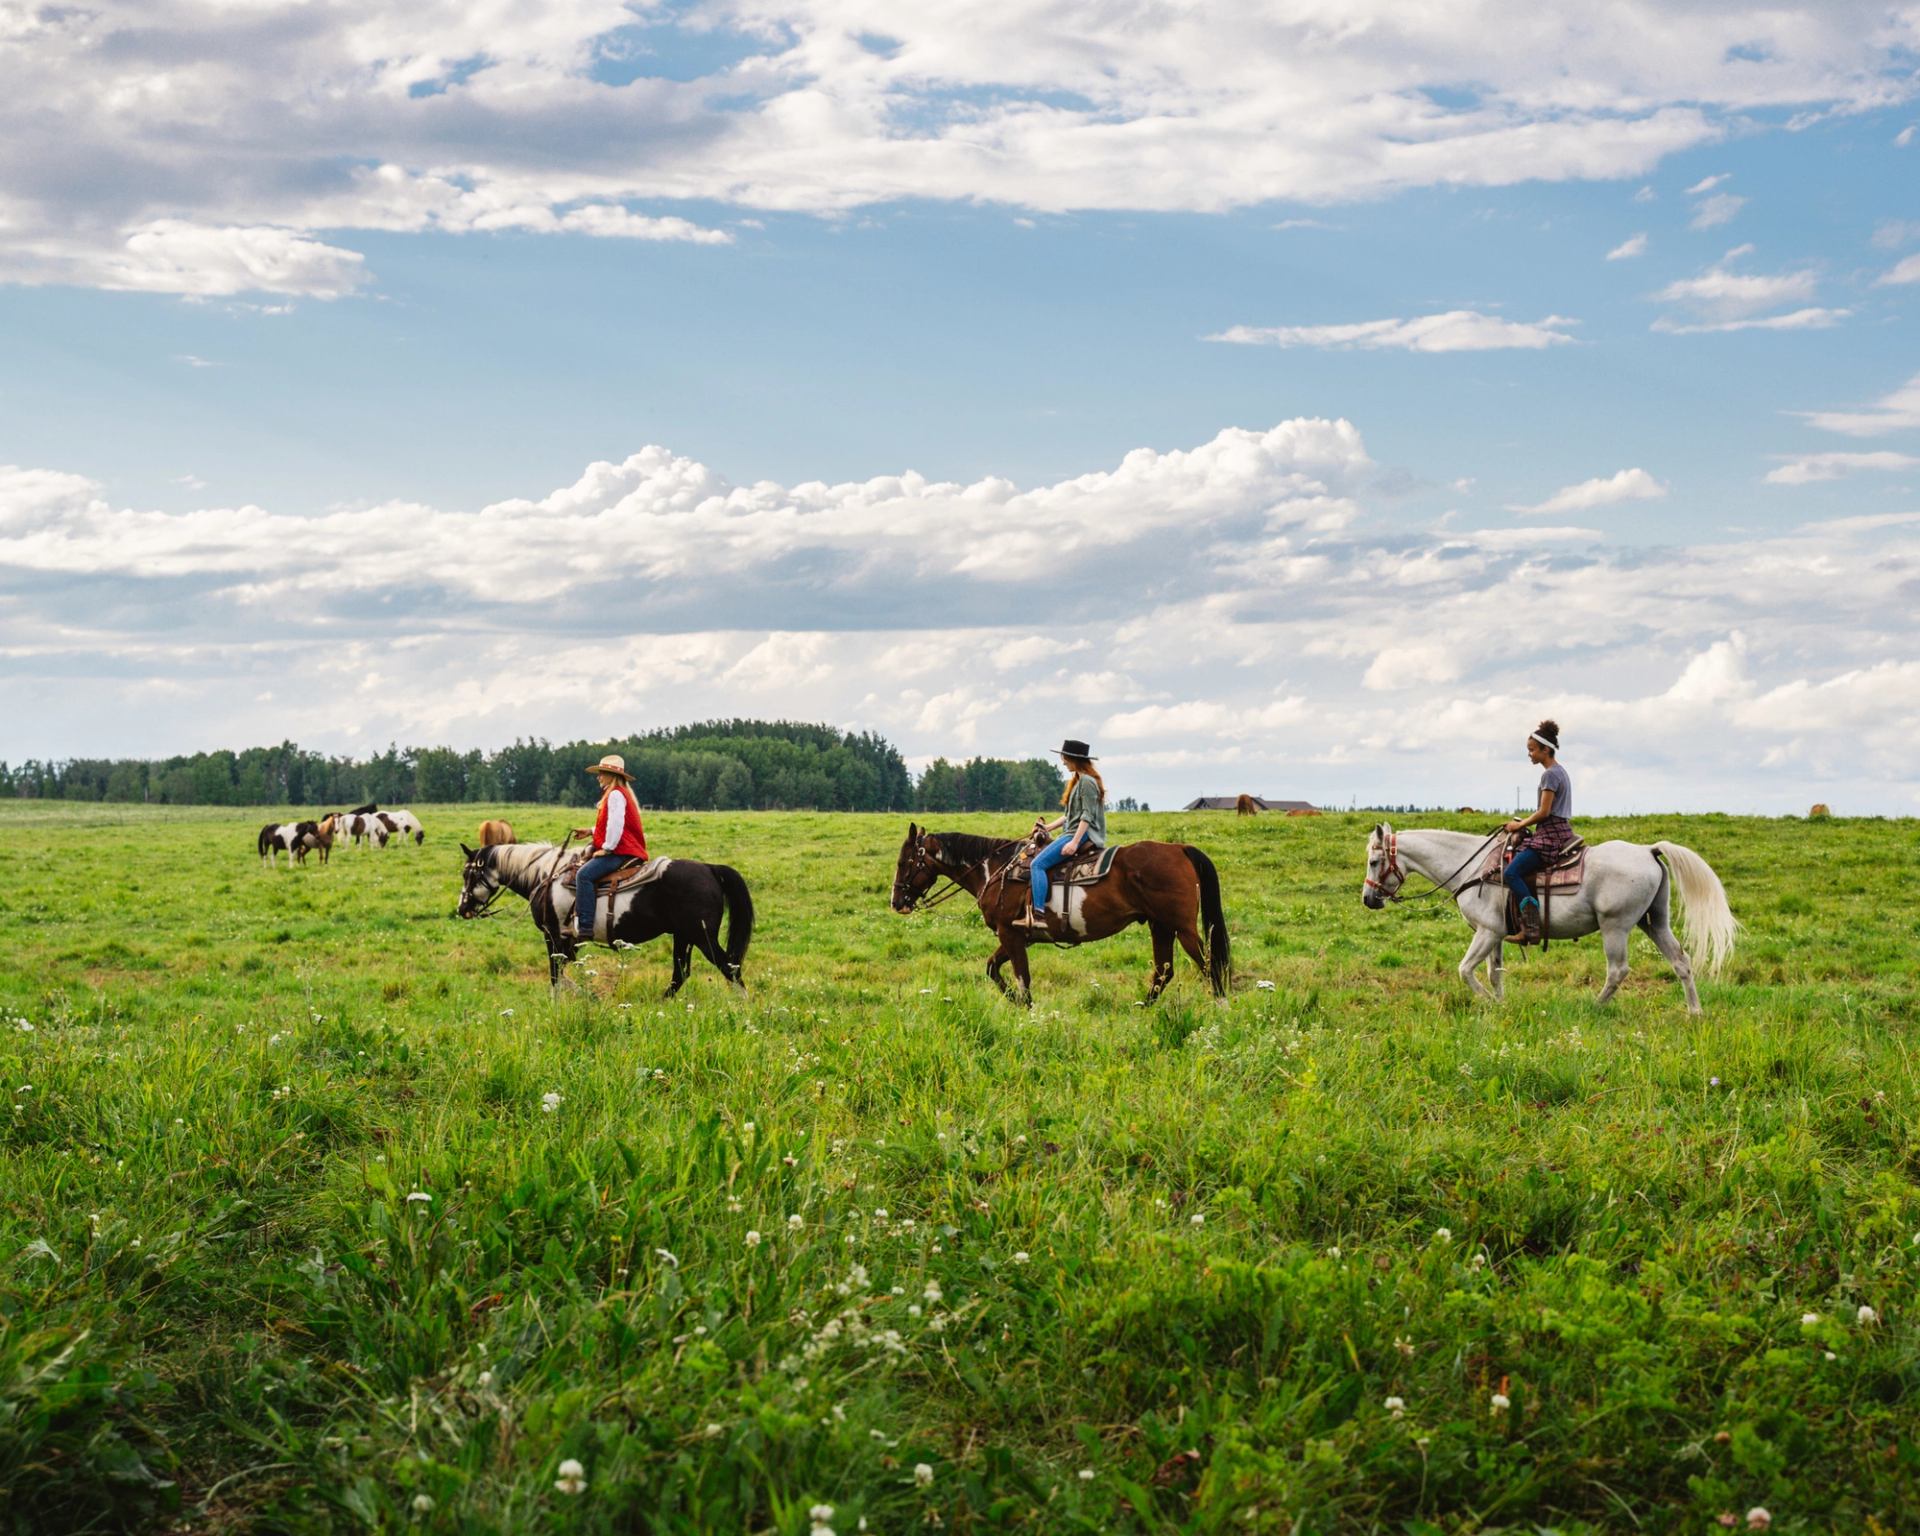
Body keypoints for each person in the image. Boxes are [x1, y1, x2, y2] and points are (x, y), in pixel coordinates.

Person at [1018, 739, 1107, 929]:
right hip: (1073, 831)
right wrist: (1047, 828)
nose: (1063, 761)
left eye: (1065, 758)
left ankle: (1039, 915)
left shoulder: (1087, 783)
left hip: (1081, 833)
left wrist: (1074, 842)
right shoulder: (1078, 781)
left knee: (1037, 864)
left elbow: (1086, 816)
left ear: (1074, 758)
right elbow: (1069, 816)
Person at [1502, 719, 1574, 944]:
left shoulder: (1550, 775)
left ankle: (1531, 925)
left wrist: (1519, 825)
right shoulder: (1560, 771)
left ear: (1546, 749)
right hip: (1559, 829)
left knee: (1511, 873)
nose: (1530, 754)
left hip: (1550, 833)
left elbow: (1544, 812)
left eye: (1532, 750)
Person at [569, 753, 648, 942]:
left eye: (602, 773)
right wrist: (590, 831)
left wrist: (607, 847)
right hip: (625, 848)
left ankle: (586, 926)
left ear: (612, 775)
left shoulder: (615, 795)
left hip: (620, 850)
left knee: (584, 875)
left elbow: (616, 825)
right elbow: (611, 824)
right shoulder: (620, 794)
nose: (599, 776)